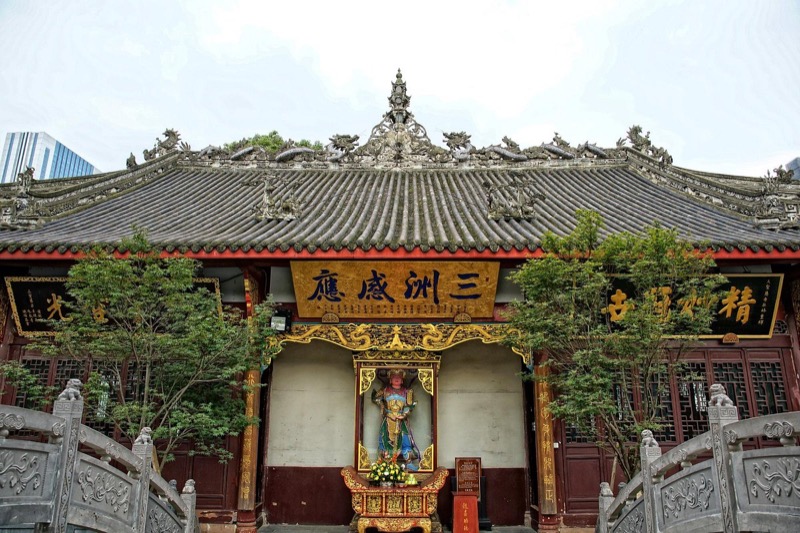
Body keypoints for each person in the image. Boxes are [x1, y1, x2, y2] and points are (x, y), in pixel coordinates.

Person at [372, 368, 420, 470]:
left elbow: (409, 405)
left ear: (402, 380)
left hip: (401, 420)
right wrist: (383, 407)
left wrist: (404, 414)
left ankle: (409, 462)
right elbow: (375, 398)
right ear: (390, 379)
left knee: (405, 440)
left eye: (399, 377)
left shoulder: (407, 391)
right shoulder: (385, 390)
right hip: (388, 419)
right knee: (384, 440)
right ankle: (384, 464)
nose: (396, 379)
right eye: (394, 377)